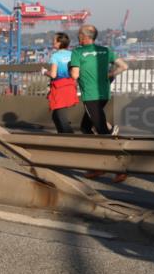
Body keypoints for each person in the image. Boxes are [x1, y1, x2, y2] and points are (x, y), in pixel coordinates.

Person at [70, 24, 129, 182]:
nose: (77, 37)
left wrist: (70, 69)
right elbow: (124, 66)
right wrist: (109, 75)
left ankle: (121, 166)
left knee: (102, 130)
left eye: (78, 35)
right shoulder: (105, 50)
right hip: (104, 93)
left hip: (91, 96)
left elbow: (74, 75)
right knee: (85, 127)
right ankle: (97, 166)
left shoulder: (78, 52)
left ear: (83, 36)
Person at [46, 32, 77, 134]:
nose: (52, 42)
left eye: (54, 40)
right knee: (56, 115)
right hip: (70, 85)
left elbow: (53, 75)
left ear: (59, 43)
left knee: (60, 114)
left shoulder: (55, 56)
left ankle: (70, 137)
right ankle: (61, 136)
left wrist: (44, 72)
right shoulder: (72, 54)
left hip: (59, 87)